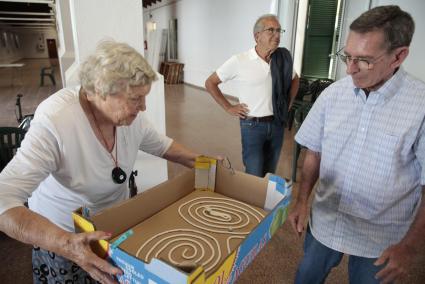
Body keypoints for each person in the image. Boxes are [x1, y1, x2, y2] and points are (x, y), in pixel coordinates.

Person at [0, 40, 202, 284]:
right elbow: (3, 198)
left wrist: (203, 162)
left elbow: (160, 144)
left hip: (111, 228)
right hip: (64, 236)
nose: (144, 107)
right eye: (136, 99)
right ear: (99, 91)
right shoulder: (56, 121)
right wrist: (66, 244)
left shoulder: (130, 118)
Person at [288, 5, 425, 284]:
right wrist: (302, 201)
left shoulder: (420, 107)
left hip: (381, 238)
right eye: (346, 56)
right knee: (306, 277)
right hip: (326, 221)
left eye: (363, 60)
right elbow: (314, 151)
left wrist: (410, 247)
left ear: (399, 56)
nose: (350, 69)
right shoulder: (333, 95)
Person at [205, 14, 299, 177]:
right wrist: (228, 107)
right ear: (257, 36)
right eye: (271, 30)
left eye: (279, 30)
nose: (277, 35)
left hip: (277, 124)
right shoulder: (240, 61)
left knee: (270, 174)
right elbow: (210, 82)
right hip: (252, 127)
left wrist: (288, 103)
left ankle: (262, 202)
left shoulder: (282, 59)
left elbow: (295, 79)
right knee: (254, 174)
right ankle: (250, 202)